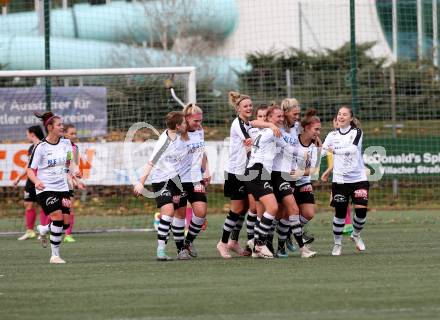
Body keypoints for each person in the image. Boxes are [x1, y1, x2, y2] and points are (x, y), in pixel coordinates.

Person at [217, 94, 279, 259]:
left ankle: (236, 241)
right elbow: (251, 143)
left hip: (248, 171)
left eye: (251, 105)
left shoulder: (250, 124)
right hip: (236, 172)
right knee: (236, 209)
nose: (249, 108)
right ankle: (223, 243)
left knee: (247, 208)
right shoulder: (238, 124)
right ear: (238, 109)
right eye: (246, 106)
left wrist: (269, 126)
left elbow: (257, 127)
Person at [134, 111, 189, 261]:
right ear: (177, 126)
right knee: (168, 212)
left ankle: (181, 250)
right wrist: (141, 182)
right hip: (161, 181)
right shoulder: (164, 143)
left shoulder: (179, 136)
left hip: (176, 181)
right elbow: (150, 163)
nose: (186, 125)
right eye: (184, 123)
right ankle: (161, 250)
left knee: (179, 215)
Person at [29, 112, 81, 264]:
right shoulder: (41, 147)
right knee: (57, 217)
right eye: (59, 125)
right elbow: (30, 170)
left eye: (62, 125)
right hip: (45, 188)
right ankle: (55, 255)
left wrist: (75, 170)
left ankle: (44, 229)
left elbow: (69, 162)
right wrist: (36, 181)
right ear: (50, 127)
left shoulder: (66, 143)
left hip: (63, 187)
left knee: (65, 224)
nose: (62, 127)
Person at [322, 106, 369, 256]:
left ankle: (355, 235)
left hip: (358, 179)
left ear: (350, 118)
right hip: (340, 181)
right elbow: (322, 151)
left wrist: (334, 150)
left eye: (344, 114)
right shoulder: (331, 135)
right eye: (339, 114)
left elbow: (353, 149)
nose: (341, 117)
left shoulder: (357, 132)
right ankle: (337, 244)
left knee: (361, 212)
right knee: (340, 213)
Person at [175, 103, 211, 258]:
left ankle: (188, 241)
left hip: (196, 179)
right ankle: (180, 249)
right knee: (180, 215)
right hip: (178, 180)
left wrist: (206, 170)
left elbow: (202, 152)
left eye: (200, 120)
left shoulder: (199, 131)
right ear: (187, 119)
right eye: (196, 121)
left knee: (201, 213)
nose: (199, 124)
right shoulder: (177, 135)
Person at [292, 109, 322, 252]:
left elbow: (314, 170)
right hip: (289, 181)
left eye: (319, 129)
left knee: (309, 213)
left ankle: (292, 231)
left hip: (303, 181)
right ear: (306, 128)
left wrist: (301, 172)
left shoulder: (315, 146)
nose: (318, 132)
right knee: (284, 213)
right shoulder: (293, 140)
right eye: (316, 129)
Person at [321, 117, 353, 235]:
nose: (338, 123)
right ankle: (346, 223)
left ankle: (347, 224)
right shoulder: (332, 137)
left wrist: (328, 171)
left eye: (339, 120)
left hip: (344, 174)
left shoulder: (346, 138)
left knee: (337, 200)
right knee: (337, 201)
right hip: (338, 175)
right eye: (336, 121)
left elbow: (340, 158)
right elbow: (325, 152)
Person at [14, 126, 45, 241]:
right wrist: (19, 177)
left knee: (44, 206)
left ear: (32, 134)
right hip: (31, 180)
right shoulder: (31, 147)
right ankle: (30, 231)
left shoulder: (44, 145)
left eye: (27, 134)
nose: (26, 136)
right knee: (28, 204)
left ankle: (43, 231)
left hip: (42, 179)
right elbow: (28, 165)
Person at [63, 124, 86, 243]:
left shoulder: (75, 148)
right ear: (64, 133)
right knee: (54, 209)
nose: (74, 136)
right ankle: (45, 231)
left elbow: (74, 168)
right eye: (71, 133)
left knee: (69, 207)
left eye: (75, 133)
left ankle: (68, 234)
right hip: (54, 181)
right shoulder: (58, 146)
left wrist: (78, 180)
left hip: (68, 182)